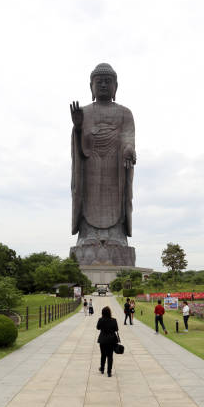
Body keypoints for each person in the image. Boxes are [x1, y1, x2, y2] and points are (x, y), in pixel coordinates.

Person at [70, 63, 137, 267]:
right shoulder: (85, 112)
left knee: (118, 197)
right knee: (87, 194)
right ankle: (87, 235)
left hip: (115, 167)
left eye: (108, 82)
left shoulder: (125, 113)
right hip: (90, 164)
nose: (104, 85)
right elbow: (79, 146)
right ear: (91, 86)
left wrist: (128, 149)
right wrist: (78, 127)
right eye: (99, 82)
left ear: (116, 86)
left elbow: (128, 136)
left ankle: (116, 235)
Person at [96, 306, 119, 377]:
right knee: (110, 356)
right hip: (111, 340)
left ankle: (102, 368)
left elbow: (98, 327)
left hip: (103, 340)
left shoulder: (100, 320)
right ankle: (109, 372)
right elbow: (116, 329)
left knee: (103, 355)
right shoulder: (114, 320)